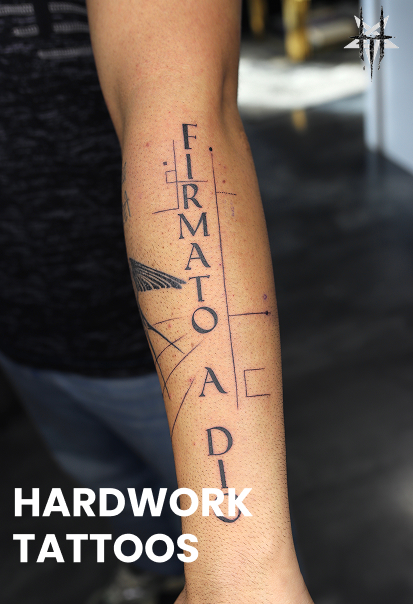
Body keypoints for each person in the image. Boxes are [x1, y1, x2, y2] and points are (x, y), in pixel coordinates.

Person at [0, 1, 313, 603]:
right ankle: (152, 569)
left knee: (204, 512)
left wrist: (241, 574)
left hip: (154, 357)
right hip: (21, 339)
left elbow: (182, 116)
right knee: (109, 487)